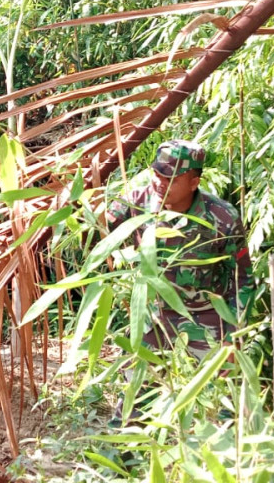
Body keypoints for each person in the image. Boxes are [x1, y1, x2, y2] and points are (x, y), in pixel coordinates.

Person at [107, 139, 253, 357]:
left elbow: (242, 279)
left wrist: (233, 337)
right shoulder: (134, 202)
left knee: (212, 389)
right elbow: (98, 232)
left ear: (194, 182)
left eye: (170, 179)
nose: (159, 183)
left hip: (205, 322)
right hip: (152, 320)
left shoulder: (222, 218)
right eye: (157, 174)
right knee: (138, 387)